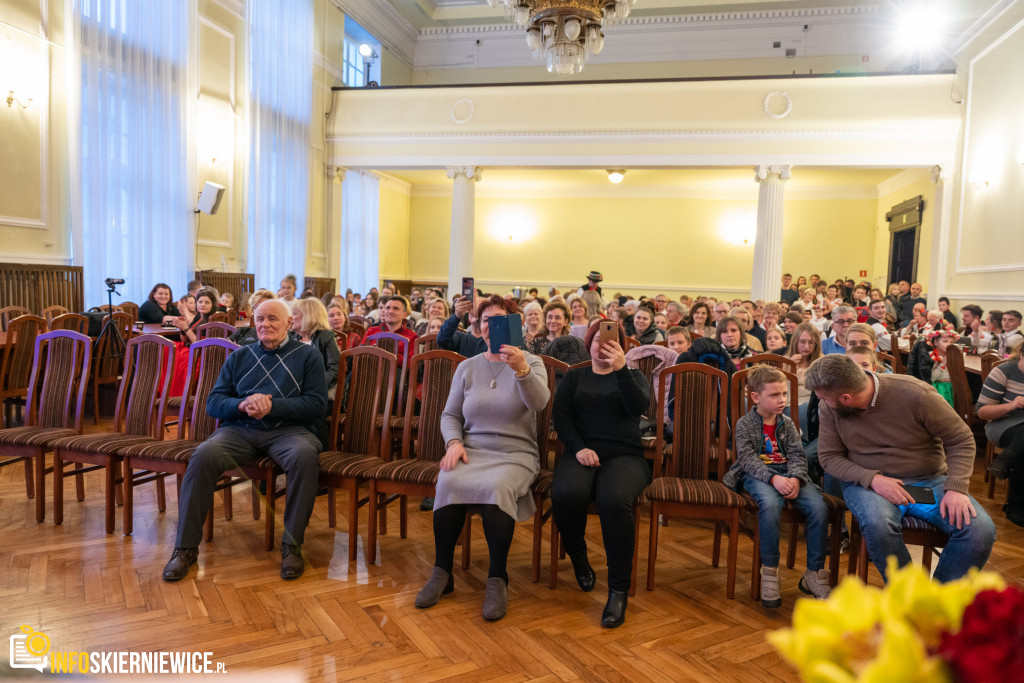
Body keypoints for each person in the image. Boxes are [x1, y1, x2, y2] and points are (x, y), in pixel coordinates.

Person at [162, 299, 328, 582]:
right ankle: (185, 549)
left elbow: (316, 405)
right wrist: (241, 405)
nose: (265, 325)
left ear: (290, 323)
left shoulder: (308, 356)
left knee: (304, 457)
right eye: (260, 319)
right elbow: (213, 403)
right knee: (202, 456)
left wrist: (272, 405)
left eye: (273, 319)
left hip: (290, 431)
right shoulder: (239, 356)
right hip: (239, 430)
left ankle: (292, 546)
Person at [415, 295, 549, 621]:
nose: (492, 326)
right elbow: (449, 414)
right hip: (472, 450)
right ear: (478, 326)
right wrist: (454, 443)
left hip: (515, 455)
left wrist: (520, 370)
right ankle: (442, 571)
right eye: (486, 320)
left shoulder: (532, 362)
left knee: (497, 489)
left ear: (514, 324)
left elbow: (540, 403)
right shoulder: (467, 367)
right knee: (448, 479)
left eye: (500, 319)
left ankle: (497, 577)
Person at [806, 355, 996, 583]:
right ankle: (910, 598)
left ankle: (938, 601)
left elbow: (961, 439)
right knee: (879, 524)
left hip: (927, 480)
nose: (819, 399)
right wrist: (873, 479)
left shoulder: (916, 394)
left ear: (846, 398)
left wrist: (956, 487)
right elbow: (829, 457)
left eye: (822, 396)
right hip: (868, 485)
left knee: (980, 531)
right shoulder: (829, 407)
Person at [551, 321, 650, 627]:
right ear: (589, 343)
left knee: (614, 499)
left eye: (611, 341)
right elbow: (561, 417)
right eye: (597, 340)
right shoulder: (575, 376)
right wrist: (578, 447)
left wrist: (621, 369)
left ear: (622, 346)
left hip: (625, 454)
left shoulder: (633, 376)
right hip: (582, 451)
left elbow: (638, 407)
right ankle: (579, 557)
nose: (602, 345)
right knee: (566, 494)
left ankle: (618, 589)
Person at [722, 365, 830, 608]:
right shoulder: (744, 424)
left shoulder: (788, 423)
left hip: (789, 475)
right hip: (758, 476)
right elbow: (747, 460)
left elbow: (798, 454)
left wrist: (796, 478)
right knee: (770, 505)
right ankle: (769, 570)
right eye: (774, 395)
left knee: (818, 508)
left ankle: (814, 572)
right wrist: (774, 479)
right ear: (756, 397)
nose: (781, 400)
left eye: (784, 394)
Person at [977, 341, 1024, 526]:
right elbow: (982, 412)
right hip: (1003, 423)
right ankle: (1016, 507)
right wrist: (1012, 405)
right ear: (1021, 354)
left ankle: (1006, 461)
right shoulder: (1004, 371)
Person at [291, 298, 341, 396]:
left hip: (319, 393)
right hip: (294, 391)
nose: (290, 317)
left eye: (294, 314)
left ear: (307, 316)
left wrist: (313, 386)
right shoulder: (290, 337)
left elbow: (334, 370)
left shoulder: (326, 337)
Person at [363, 296, 417, 367]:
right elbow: (359, 353)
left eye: (396, 308)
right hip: (369, 369)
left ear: (404, 315)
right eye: (388, 308)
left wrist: (391, 352)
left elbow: (412, 365)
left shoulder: (411, 336)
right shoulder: (371, 331)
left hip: (395, 373)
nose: (390, 311)